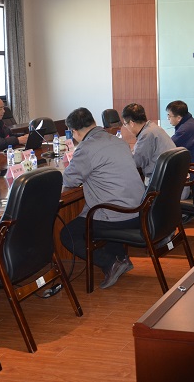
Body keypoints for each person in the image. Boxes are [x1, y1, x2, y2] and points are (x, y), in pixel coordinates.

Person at [59, 108, 146, 289]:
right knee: (103, 206)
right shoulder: (117, 141)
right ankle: (121, 258)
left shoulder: (86, 148)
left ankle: (110, 263)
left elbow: (69, 180)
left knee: (68, 234)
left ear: (74, 132)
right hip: (139, 209)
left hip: (118, 215)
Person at [121, 103, 175, 185]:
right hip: (171, 178)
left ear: (131, 123)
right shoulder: (152, 127)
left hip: (161, 182)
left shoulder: (147, 134)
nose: (126, 127)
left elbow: (136, 161)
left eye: (125, 124)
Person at [165, 100, 194, 164]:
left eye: (169, 116)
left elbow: (168, 147)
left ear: (178, 118)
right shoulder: (189, 121)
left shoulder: (184, 130)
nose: (168, 118)